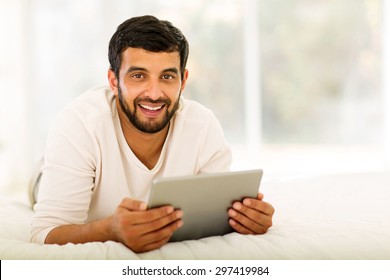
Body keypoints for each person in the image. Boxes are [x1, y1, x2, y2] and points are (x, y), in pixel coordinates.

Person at [30, 15, 274, 253]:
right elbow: (45, 232)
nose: (155, 93)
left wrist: (246, 218)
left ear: (183, 80)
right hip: (55, 172)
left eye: (167, 77)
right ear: (114, 82)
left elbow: (218, 212)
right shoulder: (79, 124)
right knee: (44, 188)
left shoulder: (202, 125)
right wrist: (109, 230)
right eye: (138, 76)